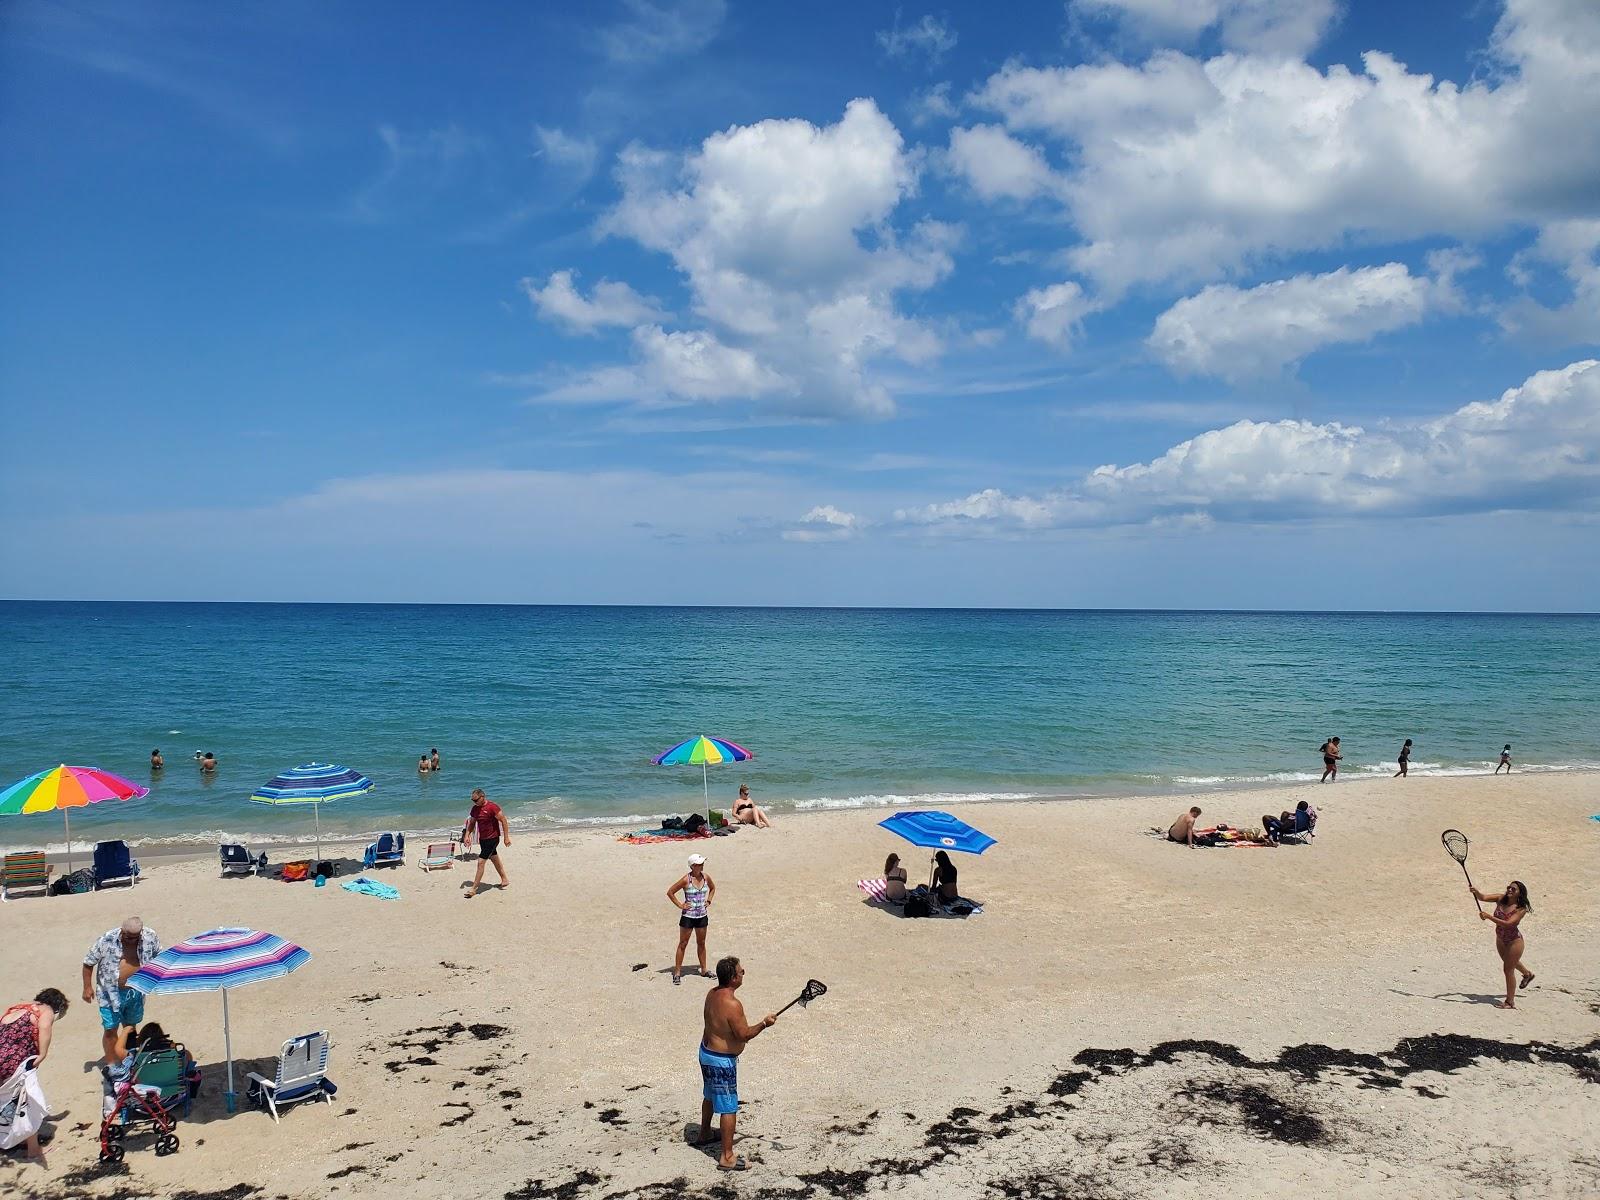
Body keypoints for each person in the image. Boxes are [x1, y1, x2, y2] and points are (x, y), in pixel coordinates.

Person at [695, 956, 776, 1173]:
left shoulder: (711, 994)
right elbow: (743, 1035)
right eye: (740, 971)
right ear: (732, 978)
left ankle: (704, 1133)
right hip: (721, 1062)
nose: (743, 972)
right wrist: (764, 1024)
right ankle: (727, 1156)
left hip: (706, 1053)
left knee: (710, 1095)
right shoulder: (733, 1004)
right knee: (729, 1107)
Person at [0, 989, 67, 1161]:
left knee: (6, 1100)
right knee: (27, 1102)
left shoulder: (15, 1009)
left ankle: (11, 1138)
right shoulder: (46, 1011)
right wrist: (42, 1054)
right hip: (13, 1061)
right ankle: (34, 1150)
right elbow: (44, 1027)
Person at [82, 918, 160, 1065]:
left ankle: (129, 1060)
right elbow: (88, 962)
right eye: (127, 937)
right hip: (109, 993)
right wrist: (87, 987)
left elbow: (159, 957)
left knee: (130, 1027)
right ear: (122, 931)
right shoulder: (107, 939)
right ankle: (113, 1065)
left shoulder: (150, 937)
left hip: (136, 992)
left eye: (134, 938)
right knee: (110, 1028)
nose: (130, 941)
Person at [1470, 880, 1535, 1008]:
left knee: (1508, 969)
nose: (1509, 890)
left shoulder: (1521, 909)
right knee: (1509, 961)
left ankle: (1510, 1002)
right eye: (1509, 887)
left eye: (1513, 889)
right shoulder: (1500, 898)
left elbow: (1508, 924)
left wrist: (1488, 917)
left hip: (1514, 941)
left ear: (1519, 894)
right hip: (1500, 939)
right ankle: (1527, 974)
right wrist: (1476, 891)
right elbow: (1482, 897)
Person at [669, 855, 715, 985]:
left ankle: (704, 970)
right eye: (699, 864)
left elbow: (713, 888)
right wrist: (680, 905)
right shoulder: (686, 879)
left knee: (701, 943)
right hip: (688, 917)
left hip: (702, 916)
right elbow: (670, 892)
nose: (702, 866)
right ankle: (677, 973)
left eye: (702, 863)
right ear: (693, 866)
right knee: (683, 944)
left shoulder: (706, 877)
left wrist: (709, 900)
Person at [460, 788, 510, 898]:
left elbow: (503, 820)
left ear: (482, 797)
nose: (474, 802)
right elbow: (472, 823)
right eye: (472, 800)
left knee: (481, 862)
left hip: (493, 838)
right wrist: (467, 835)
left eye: (476, 800)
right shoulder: (475, 809)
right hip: (483, 839)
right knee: (494, 858)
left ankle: (473, 889)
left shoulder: (492, 807)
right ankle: (504, 879)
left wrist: (506, 837)